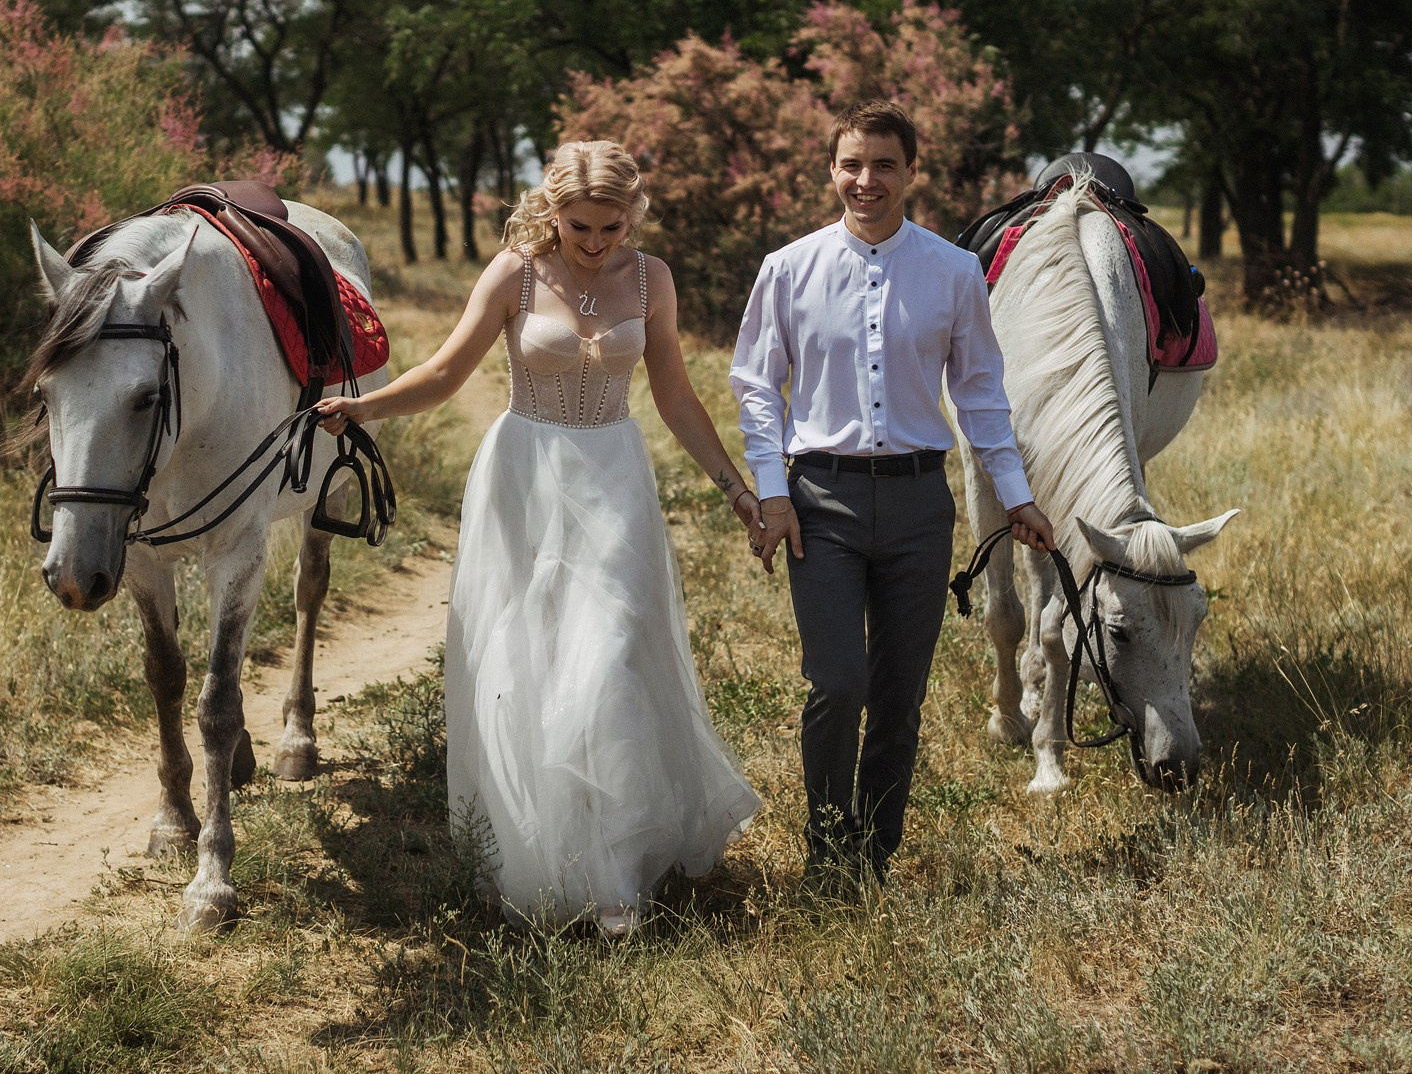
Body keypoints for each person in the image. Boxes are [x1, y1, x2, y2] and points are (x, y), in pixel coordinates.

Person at [317, 140, 762, 935]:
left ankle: (613, 873)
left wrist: (736, 488)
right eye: (579, 225)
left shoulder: (652, 278)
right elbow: (447, 372)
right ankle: (540, 857)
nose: (594, 241)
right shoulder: (515, 273)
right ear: (553, 210)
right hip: (524, 474)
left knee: (612, 655)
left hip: (615, 476)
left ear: (633, 214)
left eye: (611, 226)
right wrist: (364, 409)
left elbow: (674, 394)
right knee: (527, 659)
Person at [730, 101, 1057, 884]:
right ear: (831, 169)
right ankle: (825, 849)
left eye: (883, 164)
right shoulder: (788, 268)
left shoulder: (955, 271)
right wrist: (772, 492)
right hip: (820, 502)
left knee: (899, 694)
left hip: (918, 506)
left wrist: (1016, 495)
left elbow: (980, 394)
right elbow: (756, 386)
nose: (866, 180)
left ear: (912, 170)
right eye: (851, 163)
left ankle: (871, 856)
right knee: (838, 682)